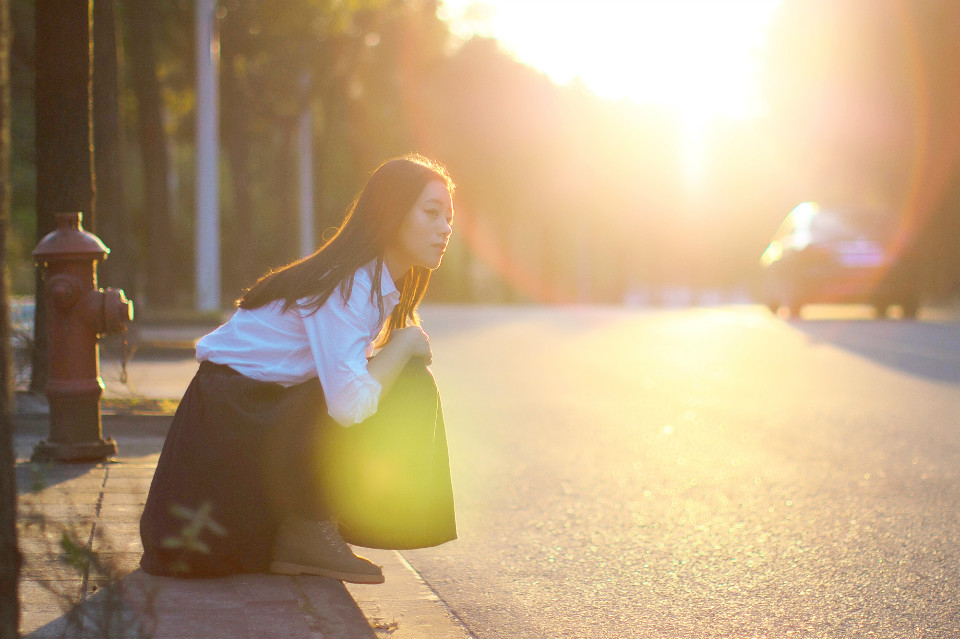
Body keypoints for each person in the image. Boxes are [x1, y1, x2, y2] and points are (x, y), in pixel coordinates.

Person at [140, 154, 458, 584]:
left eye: (449, 218)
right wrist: (402, 343)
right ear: (393, 211)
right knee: (405, 384)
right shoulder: (346, 285)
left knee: (394, 381)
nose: (445, 228)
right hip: (224, 433)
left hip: (246, 416)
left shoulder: (369, 283)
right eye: (432, 212)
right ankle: (310, 528)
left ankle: (312, 526)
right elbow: (347, 406)